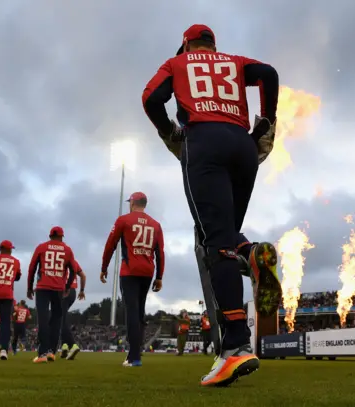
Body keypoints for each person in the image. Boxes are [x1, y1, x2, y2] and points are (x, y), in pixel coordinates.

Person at [141, 24, 282, 386]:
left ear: (186, 44)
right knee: (227, 235)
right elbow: (268, 74)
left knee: (214, 246)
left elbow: (150, 98)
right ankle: (249, 254)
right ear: (212, 45)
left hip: (203, 141)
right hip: (242, 144)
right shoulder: (233, 62)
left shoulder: (178, 63)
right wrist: (265, 121)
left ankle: (235, 346)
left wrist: (169, 132)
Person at [101, 192, 165, 368]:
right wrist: (159, 276)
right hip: (147, 271)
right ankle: (136, 353)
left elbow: (110, 244)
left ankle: (134, 356)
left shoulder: (123, 220)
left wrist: (104, 267)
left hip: (129, 270)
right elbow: (160, 252)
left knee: (132, 312)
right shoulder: (156, 225)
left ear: (132, 203)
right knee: (139, 312)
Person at [28, 226, 76, 364]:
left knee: (42, 319)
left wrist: (29, 286)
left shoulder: (41, 247)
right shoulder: (67, 249)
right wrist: (67, 286)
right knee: (56, 320)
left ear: (50, 236)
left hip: (43, 287)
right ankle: (52, 352)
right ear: (62, 236)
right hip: (58, 288)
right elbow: (73, 270)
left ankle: (42, 352)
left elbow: (32, 267)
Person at [60, 259, 86, 360]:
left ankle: (72, 345)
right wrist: (82, 290)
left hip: (64, 290)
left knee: (62, 319)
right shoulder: (74, 262)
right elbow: (83, 276)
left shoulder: (59, 260)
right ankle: (64, 346)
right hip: (73, 292)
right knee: (63, 318)